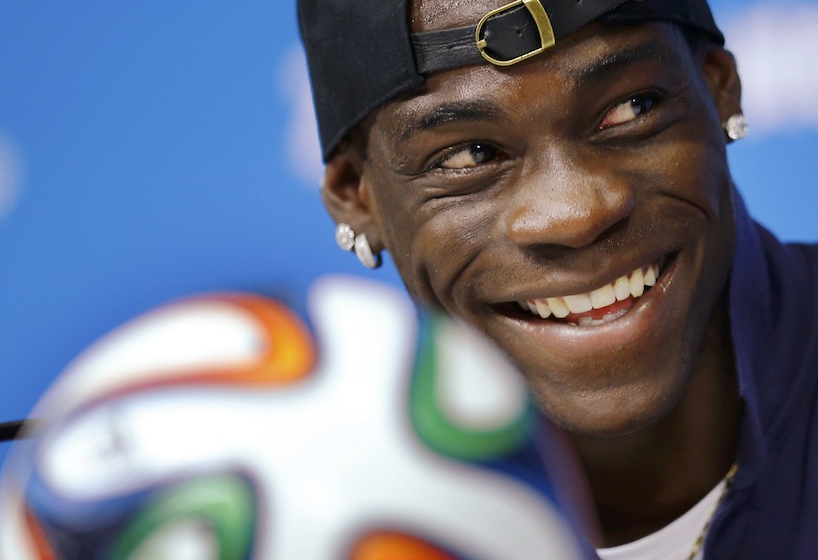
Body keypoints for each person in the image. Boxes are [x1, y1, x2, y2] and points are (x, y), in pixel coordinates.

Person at [297, 0, 818, 558]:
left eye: (631, 107)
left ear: (719, 89)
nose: (575, 214)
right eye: (472, 156)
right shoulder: (313, 521)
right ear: (357, 196)